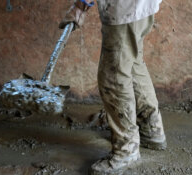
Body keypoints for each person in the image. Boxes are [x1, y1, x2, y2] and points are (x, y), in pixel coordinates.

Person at [59, 0, 167, 174]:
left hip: (125, 8)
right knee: (132, 62)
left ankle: (127, 150)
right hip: (140, 6)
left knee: (113, 75)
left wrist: (81, 5)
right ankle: (151, 129)